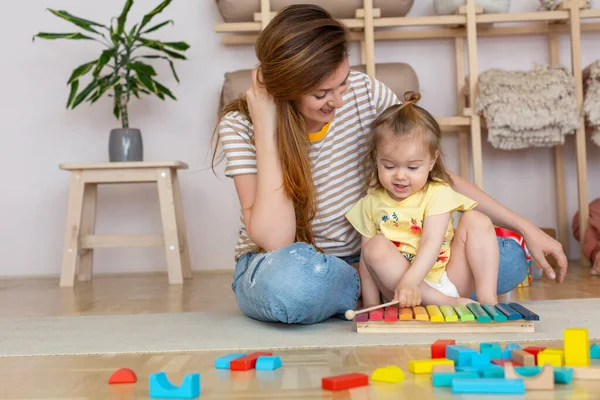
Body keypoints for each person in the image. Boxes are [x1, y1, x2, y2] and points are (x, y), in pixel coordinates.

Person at [210, 4, 568, 325]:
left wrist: (527, 228)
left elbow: (431, 177)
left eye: (342, 83)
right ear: (286, 88)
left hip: (386, 255)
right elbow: (276, 240)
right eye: (321, 93)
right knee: (292, 284)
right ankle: (391, 292)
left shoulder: (365, 94)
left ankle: (389, 293)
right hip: (297, 264)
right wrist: (267, 124)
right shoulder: (241, 125)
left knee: (508, 257)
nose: (338, 100)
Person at [345, 91, 499, 309]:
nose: (400, 175)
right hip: (401, 291)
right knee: (373, 248)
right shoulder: (371, 202)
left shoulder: (438, 191)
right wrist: (370, 308)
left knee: (477, 219)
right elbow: (367, 263)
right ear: (376, 159)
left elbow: (431, 242)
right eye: (389, 166)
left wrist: (412, 281)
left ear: (432, 161)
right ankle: (448, 304)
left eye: (412, 167)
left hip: (447, 280)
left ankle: (488, 300)